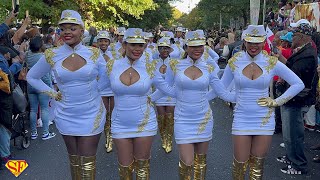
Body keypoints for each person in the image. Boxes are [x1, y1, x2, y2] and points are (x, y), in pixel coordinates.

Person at [27, 10, 108, 179]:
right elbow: (31, 76)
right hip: (66, 113)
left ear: (81, 30)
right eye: (63, 29)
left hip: (91, 113)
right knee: (74, 160)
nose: (67, 32)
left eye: (72, 28)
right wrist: (52, 92)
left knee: (87, 162)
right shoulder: (52, 54)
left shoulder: (93, 53)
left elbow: (107, 77)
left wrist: (95, 91)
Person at [220, 25, 304, 179]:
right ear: (244, 41)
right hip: (241, 118)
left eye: (258, 42)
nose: (254, 46)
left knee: (257, 167)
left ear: (264, 41)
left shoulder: (271, 62)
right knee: (239, 165)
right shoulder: (235, 62)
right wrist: (235, 98)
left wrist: (277, 102)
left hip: (264, 119)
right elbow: (221, 88)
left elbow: (298, 84)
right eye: (250, 42)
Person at [152, 30, 236, 179]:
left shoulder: (209, 68)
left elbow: (222, 92)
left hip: (203, 119)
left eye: (201, 46)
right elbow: (167, 88)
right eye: (193, 46)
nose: (198, 49)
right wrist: (148, 99)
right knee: (186, 162)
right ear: (186, 47)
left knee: (200, 162)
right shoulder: (175, 65)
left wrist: (248, 98)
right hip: (182, 119)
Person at [106, 28, 178, 179]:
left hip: (145, 123)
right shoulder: (113, 65)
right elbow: (96, 87)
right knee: (125, 169)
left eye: (141, 45)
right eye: (133, 44)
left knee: (142, 168)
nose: (137, 49)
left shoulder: (149, 67)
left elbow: (166, 89)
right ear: (124, 45)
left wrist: (151, 98)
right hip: (120, 123)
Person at [276, 20, 318, 175]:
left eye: (293, 34)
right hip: (292, 98)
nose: (290, 36)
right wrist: (280, 59)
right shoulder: (303, 51)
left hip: (296, 99)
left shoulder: (307, 54)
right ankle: (290, 157)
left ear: (302, 36)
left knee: (293, 134)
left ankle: (299, 164)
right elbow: (291, 71)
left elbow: (294, 76)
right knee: (289, 133)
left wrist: (281, 66)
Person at [0, 10, 20, 169]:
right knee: (5, 125)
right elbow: (6, 78)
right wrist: (15, 65)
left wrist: (10, 18)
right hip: (2, 97)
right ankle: (5, 156)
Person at [26, 36, 55, 140]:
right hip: (42, 85)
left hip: (30, 85)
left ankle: (33, 133)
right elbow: (47, 75)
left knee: (33, 110)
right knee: (44, 109)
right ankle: (45, 133)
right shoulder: (44, 57)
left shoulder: (27, 55)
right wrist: (50, 87)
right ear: (40, 45)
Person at [153, 37, 176, 153]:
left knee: (170, 117)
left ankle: (169, 140)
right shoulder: (153, 63)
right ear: (158, 49)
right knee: (161, 118)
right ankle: (163, 138)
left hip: (171, 94)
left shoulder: (174, 63)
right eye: (162, 48)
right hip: (158, 94)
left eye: (167, 48)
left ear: (170, 50)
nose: (164, 51)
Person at [96, 31, 116, 153]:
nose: (103, 43)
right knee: (104, 113)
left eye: (105, 41)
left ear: (109, 42)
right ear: (97, 42)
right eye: (101, 41)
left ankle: (111, 138)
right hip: (100, 89)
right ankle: (106, 137)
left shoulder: (114, 56)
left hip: (113, 88)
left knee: (112, 114)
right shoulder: (93, 55)